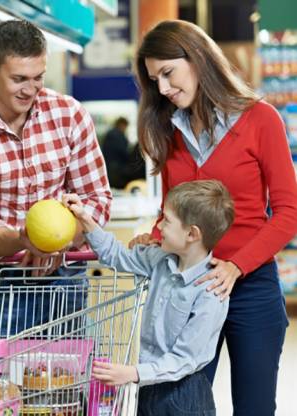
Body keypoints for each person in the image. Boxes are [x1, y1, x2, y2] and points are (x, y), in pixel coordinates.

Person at [131, 20, 297, 415]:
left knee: (254, 408)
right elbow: (174, 208)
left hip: (250, 288)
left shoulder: (261, 120)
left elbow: (289, 213)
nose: (164, 89)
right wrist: (156, 234)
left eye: (168, 73)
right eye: (155, 80)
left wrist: (236, 266)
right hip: (187, 292)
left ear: (198, 57)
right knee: (180, 405)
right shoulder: (170, 131)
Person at [0, 20, 112, 339]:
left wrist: (58, 241)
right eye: (19, 79)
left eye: (38, 78)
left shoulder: (69, 114)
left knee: (65, 382)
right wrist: (24, 239)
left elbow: (97, 199)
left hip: (67, 279)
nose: (30, 90)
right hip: (3, 283)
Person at [64, 179, 235, 416]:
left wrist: (132, 373)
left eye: (167, 220)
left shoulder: (211, 292)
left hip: (185, 397)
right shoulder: (159, 259)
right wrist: (85, 219)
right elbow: (116, 255)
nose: (160, 227)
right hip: (147, 389)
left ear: (192, 234)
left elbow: (185, 359)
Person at [101, 117, 130, 188]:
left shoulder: (110, 134)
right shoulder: (118, 135)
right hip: (116, 167)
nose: (125, 129)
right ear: (121, 124)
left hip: (109, 165)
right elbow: (122, 151)